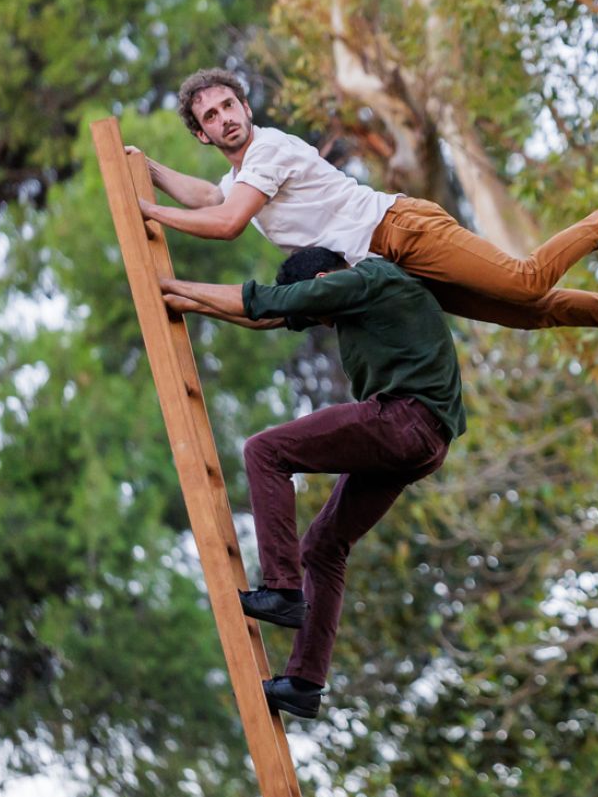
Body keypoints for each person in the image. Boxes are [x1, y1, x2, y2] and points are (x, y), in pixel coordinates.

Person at [133, 67, 598, 381]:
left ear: (245, 108)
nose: (225, 118)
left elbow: (228, 221)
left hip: (401, 230)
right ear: (202, 135)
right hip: (394, 267)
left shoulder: (268, 151)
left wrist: (152, 215)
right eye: (211, 116)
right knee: (531, 312)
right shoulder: (238, 177)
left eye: (228, 105)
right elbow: (211, 194)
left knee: (528, 279)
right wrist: (148, 170)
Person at [161, 246, 467, 719]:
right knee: (324, 548)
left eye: (319, 314)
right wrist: (192, 301)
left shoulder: (365, 279)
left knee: (265, 451)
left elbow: (272, 300)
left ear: (322, 279)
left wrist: (173, 286)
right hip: (423, 442)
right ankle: (304, 684)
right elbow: (266, 316)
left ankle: (282, 589)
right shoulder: (360, 295)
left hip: (405, 417)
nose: (325, 325)